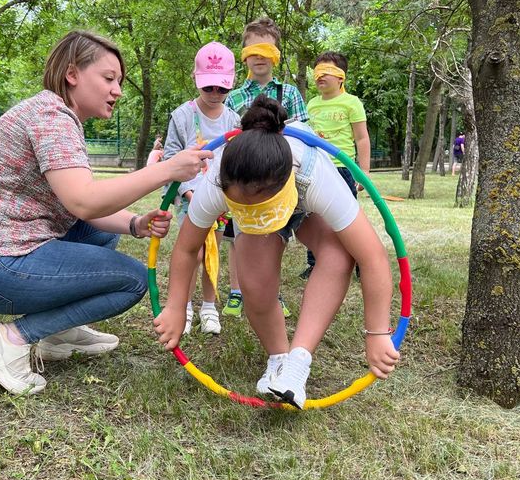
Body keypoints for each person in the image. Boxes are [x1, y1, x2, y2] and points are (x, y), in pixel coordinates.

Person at [0, 30, 212, 396]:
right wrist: (167, 170)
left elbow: (81, 209)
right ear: (72, 74)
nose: (118, 90)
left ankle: (56, 333)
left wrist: (135, 223)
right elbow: (85, 201)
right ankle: (11, 340)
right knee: (132, 280)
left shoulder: (56, 115)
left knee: (104, 234)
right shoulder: (52, 118)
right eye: (108, 78)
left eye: (119, 81)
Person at [154, 95, 399, 409]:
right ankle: (278, 359)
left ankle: (298, 362)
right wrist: (176, 306)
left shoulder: (315, 174)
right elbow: (187, 248)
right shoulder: (217, 182)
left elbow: (372, 256)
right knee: (255, 287)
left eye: (262, 210)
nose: (259, 216)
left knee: (339, 254)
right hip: (258, 207)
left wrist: (377, 332)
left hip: (304, 201)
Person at [223, 16, 309, 318]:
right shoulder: (232, 98)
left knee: (274, 236)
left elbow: (302, 136)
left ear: (277, 53)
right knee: (238, 235)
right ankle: (237, 291)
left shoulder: (290, 94)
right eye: (252, 50)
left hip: (278, 181)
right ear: (244, 54)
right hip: (244, 180)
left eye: (266, 50)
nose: (259, 56)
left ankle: (273, 294)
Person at [162, 41, 241, 335]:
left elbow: (235, 160)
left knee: (212, 252)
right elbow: (170, 158)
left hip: (219, 199)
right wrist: (186, 191)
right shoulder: (182, 116)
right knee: (191, 252)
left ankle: (209, 306)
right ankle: (183, 306)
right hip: (189, 197)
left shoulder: (233, 120)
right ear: (197, 81)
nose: (215, 94)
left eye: (222, 88)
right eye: (209, 87)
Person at [301, 51, 370, 280]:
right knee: (315, 215)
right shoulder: (311, 105)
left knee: (348, 217)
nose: (320, 76)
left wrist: (363, 173)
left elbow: (362, 138)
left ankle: (361, 260)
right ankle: (315, 263)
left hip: (343, 168)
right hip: (316, 168)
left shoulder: (352, 103)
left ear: (341, 77)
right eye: (317, 72)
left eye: (326, 72)